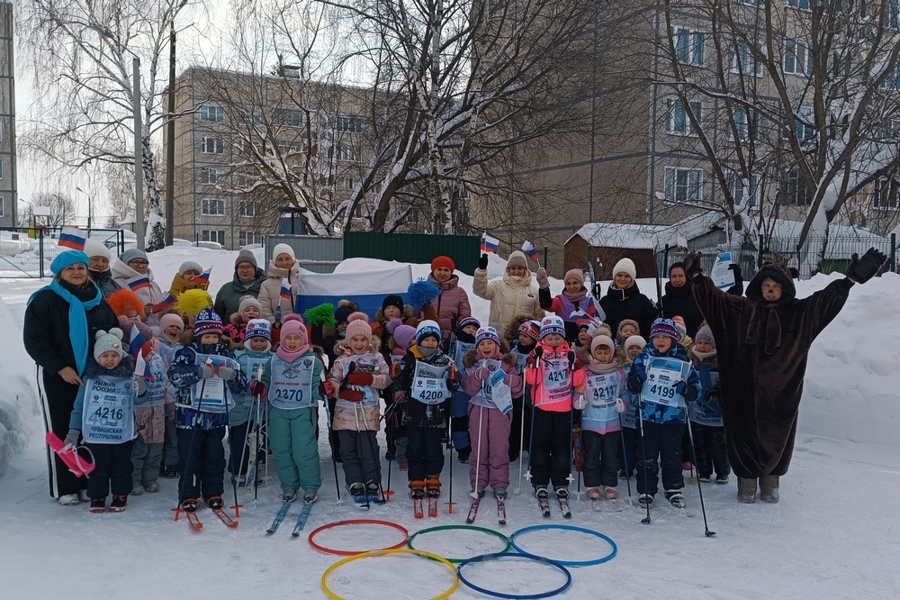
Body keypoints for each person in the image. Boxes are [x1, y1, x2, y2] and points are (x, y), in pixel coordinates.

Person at [686, 248, 887, 503]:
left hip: (781, 392)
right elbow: (714, 300)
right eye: (766, 285)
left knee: (777, 435)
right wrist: (696, 277)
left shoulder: (799, 314)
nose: (770, 290)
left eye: (775, 286)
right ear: (758, 287)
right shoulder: (740, 310)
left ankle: (771, 481)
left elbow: (823, 302)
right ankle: (746, 482)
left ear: (785, 289)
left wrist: (848, 282)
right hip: (741, 388)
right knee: (742, 432)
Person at [24, 250, 119, 505]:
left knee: (90, 428)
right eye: (70, 269)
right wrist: (61, 368)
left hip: (94, 375)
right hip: (58, 375)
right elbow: (35, 340)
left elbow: (113, 330)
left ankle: (87, 480)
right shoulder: (45, 300)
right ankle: (64, 486)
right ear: (60, 274)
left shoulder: (97, 299)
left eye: (80, 267)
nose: (77, 272)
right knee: (62, 429)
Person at [167, 309, 248, 512]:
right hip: (189, 416)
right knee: (190, 456)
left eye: (214, 335)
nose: (211, 340)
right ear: (198, 335)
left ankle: (213, 491)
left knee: (215, 457)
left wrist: (233, 377)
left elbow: (241, 383)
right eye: (207, 335)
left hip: (216, 417)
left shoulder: (226, 354)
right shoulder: (187, 353)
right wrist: (196, 372)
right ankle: (189, 493)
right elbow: (175, 376)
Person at [626, 318, 701, 509]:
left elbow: (696, 388)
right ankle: (646, 489)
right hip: (647, 415)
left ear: (673, 339)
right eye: (656, 336)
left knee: (672, 454)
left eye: (665, 337)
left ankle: (673, 488)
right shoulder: (643, 359)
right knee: (647, 454)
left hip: (673, 416)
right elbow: (629, 386)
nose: (660, 340)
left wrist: (688, 390)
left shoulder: (683, 361)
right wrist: (636, 381)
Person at [64, 328, 142, 512]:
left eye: (114, 355)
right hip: (97, 433)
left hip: (121, 433)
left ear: (121, 356)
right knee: (98, 467)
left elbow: (139, 400)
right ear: (97, 356)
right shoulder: (90, 380)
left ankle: (120, 494)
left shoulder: (129, 377)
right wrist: (73, 431)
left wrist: (142, 387)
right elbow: (79, 408)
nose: (109, 359)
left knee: (121, 466)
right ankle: (97, 495)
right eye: (104, 355)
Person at [325, 312, 392, 504]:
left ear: (369, 340)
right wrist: (339, 391)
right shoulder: (341, 360)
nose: (359, 343)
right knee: (348, 450)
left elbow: (386, 379)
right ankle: (354, 481)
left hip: (367, 412)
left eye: (363, 339)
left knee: (368, 449)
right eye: (355, 339)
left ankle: (372, 481)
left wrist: (370, 379)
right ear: (349, 340)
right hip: (345, 413)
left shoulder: (376, 358)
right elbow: (333, 381)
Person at [393, 320, 459, 502]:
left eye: (433, 339)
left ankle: (433, 478)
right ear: (418, 340)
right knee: (414, 448)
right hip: (414, 413)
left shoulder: (445, 360)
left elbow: (454, 383)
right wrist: (397, 381)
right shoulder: (410, 358)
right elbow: (401, 382)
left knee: (433, 448)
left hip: (436, 414)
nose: (430, 343)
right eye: (426, 339)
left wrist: (453, 379)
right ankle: (416, 479)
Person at [261, 315, 324, 503]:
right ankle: (289, 485)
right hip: (278, 409)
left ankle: (310, 485)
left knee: (303, 450)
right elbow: (266, 381)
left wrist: (322, 390)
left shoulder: (313, 361)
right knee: (281, 450)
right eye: (288, 337)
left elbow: (318, 385)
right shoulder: (272, 360)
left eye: (297, 338)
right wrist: (260, 388)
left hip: (303, 409)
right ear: (282, 339)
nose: (292, 342)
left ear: (303, 339)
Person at [524, 315, 584, 503]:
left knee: (561, 448)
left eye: (557, 337)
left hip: (564, 408)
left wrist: (578, 365)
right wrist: (534, 362)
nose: (554, 341)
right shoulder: (537, 353)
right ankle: (539, 481)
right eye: (549, 338)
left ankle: (561, 482)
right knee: (540, 447)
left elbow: (577, 381)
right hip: (542, 407)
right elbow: (532, 380)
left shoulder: (570, 353)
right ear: (542, 338)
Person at [462, 326, 522, 499]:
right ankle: (479, 482)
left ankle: (499, 483)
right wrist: (476, 377)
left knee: (499, 448)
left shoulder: (506, 364)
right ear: (477, 347)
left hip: (499, 411)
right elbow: (468, 389)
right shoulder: (472, 364)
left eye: (490, 343)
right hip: (478, 410)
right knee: (479, 447)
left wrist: (513, 381)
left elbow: (518, 391)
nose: (486, 347)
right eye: (482, 344)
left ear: (497, 345)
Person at [118, 318, 170, 496]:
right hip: (138, 412)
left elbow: (166, 382)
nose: (148, 343)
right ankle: (135, 479)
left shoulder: (156, 357)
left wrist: (169, 403)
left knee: (156, 447)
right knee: (138, 449)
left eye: (149, 339)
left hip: (158, 409)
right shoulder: (128, 362)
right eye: (142, 340)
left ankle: (151, 478)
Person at [575, 335, 628, 502]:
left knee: (611, 455)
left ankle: (610, 483)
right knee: (591, 454)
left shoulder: (618, 372)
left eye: (606, 352)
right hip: (591, 421)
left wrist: (623, 403)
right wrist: (578, 402)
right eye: (599, 352)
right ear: (593, 352)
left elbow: (624, 392)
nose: (603, 356)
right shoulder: (585, 371)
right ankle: (592, 484)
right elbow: (577, 392)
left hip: (611, 421)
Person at [231, 319, 274, 485]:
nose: (258, 344)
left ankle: (258, 469)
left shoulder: (273, 358)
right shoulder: (239, 358)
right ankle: (239, 470)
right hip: (242, 408)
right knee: (240, 441)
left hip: (262, 409)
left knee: (260, 440)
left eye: (262, 341)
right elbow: (233, 381)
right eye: (255, 340)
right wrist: (244, 387)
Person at [687, 325, 730, 484]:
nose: (703, 346)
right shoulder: (691, 359)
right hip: (696, 410)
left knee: (717, 442)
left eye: (707, 343)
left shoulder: (722, 361)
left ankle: (722, 471)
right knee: (699, 442)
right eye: (700, 342)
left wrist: (718, 391)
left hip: (716, 412)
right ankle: (704, 470)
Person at [473, 250, 542, 331]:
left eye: (520, 268)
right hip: (500, 338)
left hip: (523, 340)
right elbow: (480, 291)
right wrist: (482, 270)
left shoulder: (534, 291)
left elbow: (539, 317)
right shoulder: (497, 287)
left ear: (525, 270)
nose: (516, 271)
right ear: (508, 270)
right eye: (513, 268)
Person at [598, 258, 657, 339]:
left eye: (626, 276)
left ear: (631, 279)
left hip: (637, 348)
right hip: (611, 350)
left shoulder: (642, 301)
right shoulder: (604, 302)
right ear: (614, 277)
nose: (622, 279)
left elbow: (649, 328)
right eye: (619, 275)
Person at [506, 317, 539, 462]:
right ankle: (513, 448)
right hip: (516, 392)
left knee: (532, 421)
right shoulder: (514, 350)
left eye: (526, 336)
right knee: (515, 421)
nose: (522, 338)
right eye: (520, 335)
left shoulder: (538, 352)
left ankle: (531, 446)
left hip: (533, 392)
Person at [157, 312, 185, 479]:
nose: (174, 329)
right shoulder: (157, 345)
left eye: (178, 327)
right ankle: (158, 461)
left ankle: (171, 463)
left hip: (176, 395)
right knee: (160, 431)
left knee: (174, 430)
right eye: (171, 326)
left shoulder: (183, 348)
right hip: (159, 394)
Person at [536, 267, 598, 342]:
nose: (571, 287)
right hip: (565, 343)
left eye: (575, 283)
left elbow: (596, 321)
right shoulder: (560, 300)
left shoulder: (589, 301)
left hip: (584, 344)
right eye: (568, 284)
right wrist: (544, 286)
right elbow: (547, 305)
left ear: (581, 284)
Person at [449, 316, 480, 462]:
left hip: (477, 389)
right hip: (459, 389)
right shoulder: (454, 343)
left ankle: (477, 446)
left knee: (475, 420)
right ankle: (462, 448)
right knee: (459, 419)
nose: (471, 331)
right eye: (468, 327)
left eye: (474, 329)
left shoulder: (481, 344)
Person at [424, 256, 472, 342]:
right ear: (433, 270)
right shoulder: (423, 290)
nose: (442, 273)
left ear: (451, 272)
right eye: (439, 269)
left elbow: (465, 318)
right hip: (426, 339)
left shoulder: (460, 293)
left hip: (450, 340)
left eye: (446, 270)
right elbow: (414, 315)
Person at [618, 335, 646, 480]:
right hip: (627, 412)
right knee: (627, 441)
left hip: (643, 411)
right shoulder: (622, 366)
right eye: (631, 348)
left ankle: (642, 467)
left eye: (638, 348)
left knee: (642, 442)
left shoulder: (648, 365)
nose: (635, 351)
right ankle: (626, 467)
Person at [214, 249, 266, 322]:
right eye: (241, 267)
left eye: (248, 267)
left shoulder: (265, 287)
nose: (245, 270)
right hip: (230, 332)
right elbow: (218, 316)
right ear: (236, 269)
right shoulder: (225, 290)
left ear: (255, 269)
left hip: (259, 331)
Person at [111, 249, 163, 319]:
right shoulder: (116, 284)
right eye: (135, 262)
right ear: (125, 264)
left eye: (144, 262)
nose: (141, 266)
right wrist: (142, 312)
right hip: (134, 329)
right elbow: (116, 315)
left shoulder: (154, 284)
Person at [257, 243, 299, 324]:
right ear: (274, 262)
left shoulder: (302, 280)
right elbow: (264, 309)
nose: (284, 263)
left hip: (300, 330)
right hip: (278, 330)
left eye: (287, 258)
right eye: (280, 259)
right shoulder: (266, 285)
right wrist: (276, 324)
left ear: (293, 259)